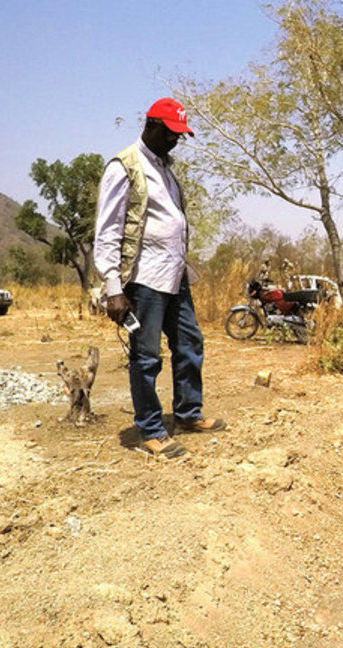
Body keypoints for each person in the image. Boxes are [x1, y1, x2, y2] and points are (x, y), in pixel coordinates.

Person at [94, 98, 226, 458]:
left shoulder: (164, 167)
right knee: (147, 356)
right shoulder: (125, 167)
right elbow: (108, 231)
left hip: (175, 275)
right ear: (151, 125)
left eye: (180, 136)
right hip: (145, 278)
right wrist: (113, 289)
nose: (176, 141)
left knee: (189, 343)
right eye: (171, 134)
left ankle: (187, 413)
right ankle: (150, 430)